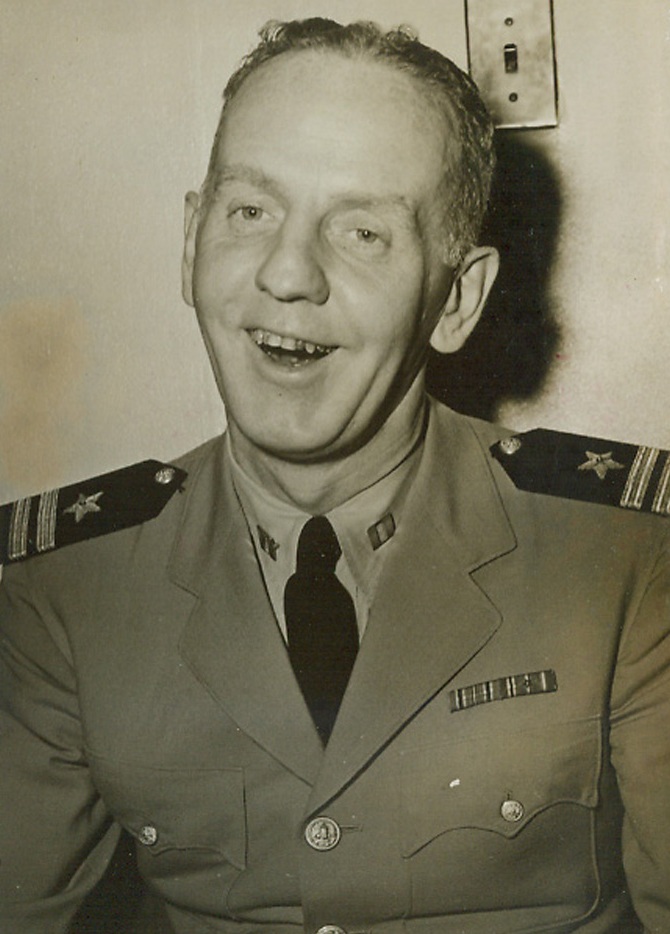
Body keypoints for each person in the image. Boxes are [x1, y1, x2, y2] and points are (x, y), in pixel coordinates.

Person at [1, 16, 669, 934]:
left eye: (361, 232)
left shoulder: (624, 557)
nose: (286, 274)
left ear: (458, 298)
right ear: (191, 241)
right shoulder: (67, 585)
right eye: (250, 212)